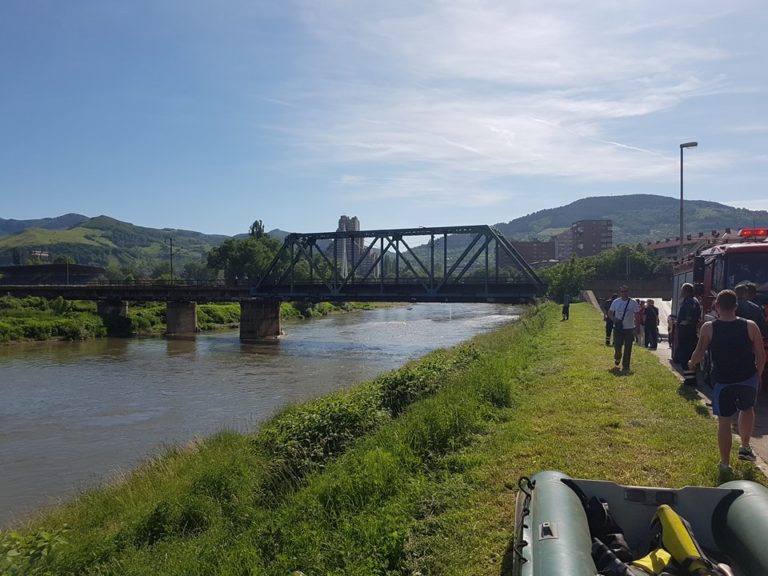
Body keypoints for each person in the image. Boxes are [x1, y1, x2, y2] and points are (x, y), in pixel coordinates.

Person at [688, 289, 765, 474]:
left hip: (723, 381)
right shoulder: (750, 326)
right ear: (736, 306)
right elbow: (761, 355)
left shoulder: (709, 327)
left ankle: (725, 464)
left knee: (724, 422)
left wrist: (691, 363)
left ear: (716, 306)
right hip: (747, 378)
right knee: (747, 409)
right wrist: (758, 375)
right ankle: (745, 446)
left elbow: (699, 352)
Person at [609, 285, 640, 372]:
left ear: (628, 292)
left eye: (625, 291)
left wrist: (637, 327)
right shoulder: (616, 302)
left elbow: (637, 315)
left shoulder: (633, 302)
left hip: (629, 328)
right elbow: (610, 312)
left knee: (628, 347)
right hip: (618, 328)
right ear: (620, 292)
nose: (624, 293)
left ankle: (626, 365)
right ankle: (617, 357)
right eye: (622, 291)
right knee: (617, 345)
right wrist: (614, 319)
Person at [675, 283, 701, 387]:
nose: (681, 292)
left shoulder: (690, 302)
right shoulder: (692, 301)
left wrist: (681, 324)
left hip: (687, 334)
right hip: (688, 333)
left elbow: (689, 318)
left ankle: (690, 380)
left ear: (686, 291)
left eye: (682, 290)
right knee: (687, 356)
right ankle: (690, 379)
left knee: (685, 356)